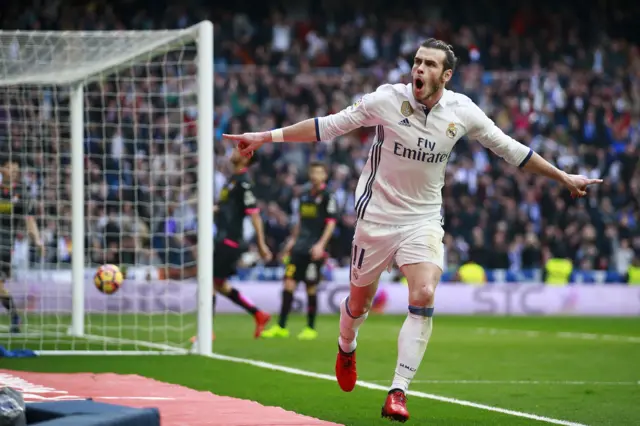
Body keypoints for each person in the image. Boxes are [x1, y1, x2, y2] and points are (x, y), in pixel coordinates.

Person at [223, 38, 603, 422]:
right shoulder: (386, 99)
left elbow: (510, 149)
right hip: (376, 218)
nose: (419, 69)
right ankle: (346, 345)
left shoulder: (462, 111)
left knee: (423, 293)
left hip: (422, 219)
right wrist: (263, 137)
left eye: (429, 64)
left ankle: (398, 391)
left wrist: (562, 176)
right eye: (417, 62)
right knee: (358, 306)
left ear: (446, 74)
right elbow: (327, 127)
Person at [193, 147, 273, 343]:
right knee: (219, 284)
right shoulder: (232, 181)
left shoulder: (244, 183)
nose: (233, 151)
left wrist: (261, 245)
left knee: (209, 281)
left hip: (230, 240)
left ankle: (206, 331)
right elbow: (227, 208)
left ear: (246, 159)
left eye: (239, 150)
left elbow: (254, 214)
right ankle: (258, 313)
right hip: (222, 237)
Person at [261, 161, 337, 340]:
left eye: (319, 172)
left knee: (311, 286)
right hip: (299, 246)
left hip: (314, 249)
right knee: (288, 282)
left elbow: (331, 223)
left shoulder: (328, 196)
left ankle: (310, 327)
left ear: (324, 176)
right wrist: (291, 242)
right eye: (313, 172)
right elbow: (301, 222)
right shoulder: (303, 195)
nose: (315, 176)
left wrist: (321, 245)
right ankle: (281, 326)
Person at [0, 156, 45, 333]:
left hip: (4, 244)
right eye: (10, 168)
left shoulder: (21, 192)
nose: (13, 172)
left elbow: (29, 220)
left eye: (16, 170)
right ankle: (15, 316)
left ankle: (15, 316)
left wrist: (38, 240)